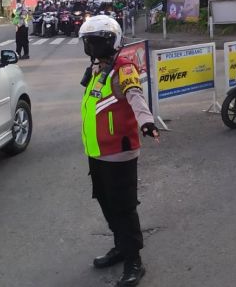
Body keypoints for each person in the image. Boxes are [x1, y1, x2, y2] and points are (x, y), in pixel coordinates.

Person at [78, 15, 160, 287]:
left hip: (119, 153)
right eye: (88, 42)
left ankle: (134, 260)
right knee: (106, 202)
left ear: (110, 42)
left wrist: (146, 122)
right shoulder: (97, 69)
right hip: (97, 152)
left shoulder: (123, 68)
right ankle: (120, 246)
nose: (90, 47)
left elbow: (135, 94)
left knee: (123, 207)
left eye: (95, 42)